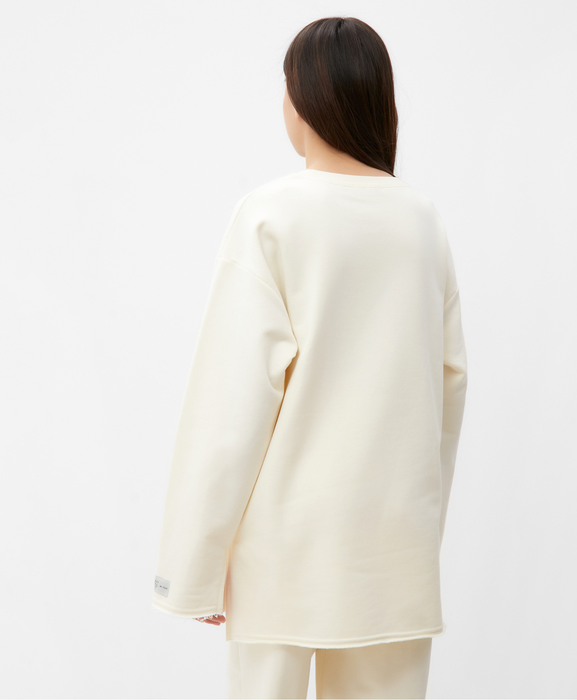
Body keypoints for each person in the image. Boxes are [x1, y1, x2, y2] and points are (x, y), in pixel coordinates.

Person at [151, 16, 468, 700]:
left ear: (306, 100)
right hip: (391, 553)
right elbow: (447, 391)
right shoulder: (422, 222)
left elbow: (231, 402)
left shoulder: (271, 215)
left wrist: (196, 563)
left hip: (283, 551)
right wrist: (419, 532)